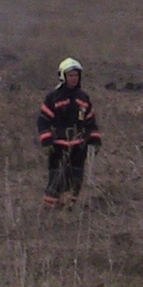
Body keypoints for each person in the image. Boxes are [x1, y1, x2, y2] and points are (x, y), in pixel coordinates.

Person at [37, 57, 101, 208]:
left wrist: (95, 139)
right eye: (70, 75)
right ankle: (50, 207)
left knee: (76, 176)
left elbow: (90, 121)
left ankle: (69, 207)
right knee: (57, 176)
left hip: (79, 146)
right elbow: (43, 120)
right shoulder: (53, 97)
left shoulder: (83, 98)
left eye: (76, 75)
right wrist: (46, 140)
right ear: (63, 76)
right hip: (58, 145)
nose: (74, 78)